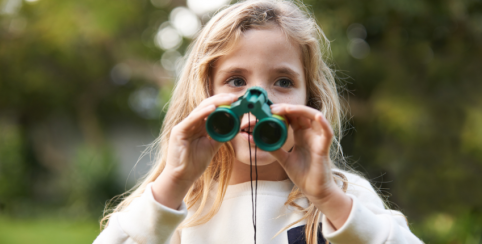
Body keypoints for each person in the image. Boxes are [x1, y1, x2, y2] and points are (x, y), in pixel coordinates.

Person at [94, 0, 423, 243]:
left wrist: (327, 198)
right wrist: (174, 181)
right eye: (236, 81)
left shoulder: (344, 196)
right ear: (204, 95)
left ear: (310, 101)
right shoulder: (175, 205)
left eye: (283, 82)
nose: (259, 101)